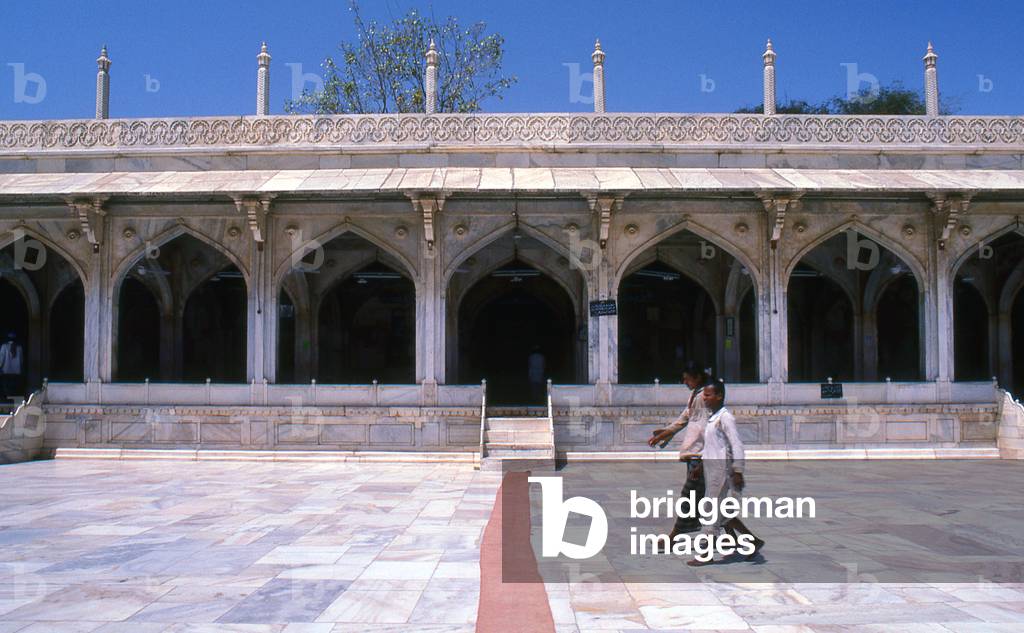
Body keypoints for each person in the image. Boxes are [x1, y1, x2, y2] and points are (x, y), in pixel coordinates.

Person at [688, 378, 765, 566]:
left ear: (719, 396)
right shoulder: (712, 418)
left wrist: (738, 470)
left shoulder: (725, 417)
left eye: (708, 395)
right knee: (722, 514)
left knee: (710, 512)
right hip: (712, 469)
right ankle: (752, 541)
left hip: (722, 471)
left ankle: (705, 554)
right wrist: (699, 467)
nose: (704, 398)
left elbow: (736, 444)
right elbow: (713, 446)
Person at [648, 362, 710, 540]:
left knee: (689, 497)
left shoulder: (705, 396)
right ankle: (746, 538)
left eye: (687, 379)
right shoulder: (695, 395)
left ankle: (674, 537)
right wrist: (664, 434)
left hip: (700, 454)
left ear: (697, 377)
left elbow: (708, 428)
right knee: (703, 500)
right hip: (694, 454)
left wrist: (704, 457)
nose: (685, 383)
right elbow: (684, 419)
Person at [0, 332, 24, 406]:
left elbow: (1, 358)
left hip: (6, 371)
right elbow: (21, 360)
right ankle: (13, 400)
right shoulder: (19, 347)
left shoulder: (4, 346)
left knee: (7, 387)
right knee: (14, 387)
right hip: (16, 372)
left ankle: (7, 400)